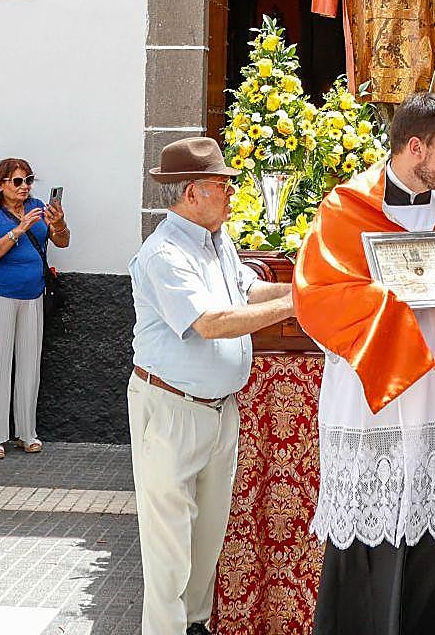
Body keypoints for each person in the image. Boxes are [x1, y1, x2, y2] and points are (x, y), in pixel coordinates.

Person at [298, 95, 435, 635]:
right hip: (377, 396)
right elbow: (318, 296)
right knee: (373, 541)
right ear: (415, 146)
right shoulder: (345, 209)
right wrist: (392, 299)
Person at [129, 136, 294, 635]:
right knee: (169, 548)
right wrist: (296, 307)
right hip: (172, 408)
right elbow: (211, 322)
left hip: (219, 410)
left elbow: (247, 289)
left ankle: (196, 625)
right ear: (190, 192)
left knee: (206, 541)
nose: (230, 194)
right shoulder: (163, 253)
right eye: (221, 186)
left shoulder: (215, 240)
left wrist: (307, 288)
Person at [0, 157, 70, 460]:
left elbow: (63, 242)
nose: (25, 187)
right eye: (17, 181)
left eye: (28, 180)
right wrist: (20, 229)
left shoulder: (39, 206)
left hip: (33, 294)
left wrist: (59, 223)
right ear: (1, 185)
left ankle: (27, 431)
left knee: (30, 363)